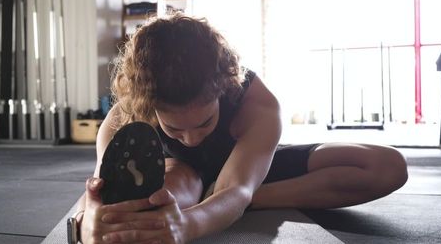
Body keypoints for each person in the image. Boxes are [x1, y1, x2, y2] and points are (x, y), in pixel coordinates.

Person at [74, 13, 408, 244]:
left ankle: (241, 202)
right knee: (167, 192)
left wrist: (188, 224)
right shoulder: (125, 115)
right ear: (152, 106)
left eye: (205, 122)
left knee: (388, 167)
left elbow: (237, 189)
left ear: (222, 88)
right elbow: (100, 194)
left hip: (248, 168)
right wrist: (91, 221)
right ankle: (199, 201)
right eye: (175, 129)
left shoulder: (258, 103)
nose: (191, 138)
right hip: (179, 176)